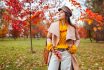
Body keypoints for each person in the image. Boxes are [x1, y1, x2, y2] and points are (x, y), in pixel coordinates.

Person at [46, 6, 80, 70]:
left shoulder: (72, 28)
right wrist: (50, 46)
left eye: (61, 12)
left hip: (67, 53)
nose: (58, 13)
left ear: (66, 14)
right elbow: (48, 37)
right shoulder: (53, 25)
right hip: (55, 52)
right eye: (58, 12)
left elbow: (78, 39)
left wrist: (74, 47)